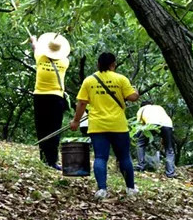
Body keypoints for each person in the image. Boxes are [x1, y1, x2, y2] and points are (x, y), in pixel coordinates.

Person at [70, 52, 140, 199]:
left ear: (98, 64)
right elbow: (132, 97)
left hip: (97, 126)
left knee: (100, 158)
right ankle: (130, 188)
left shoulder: (89, 81)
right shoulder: (121, 79)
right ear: (113, 64)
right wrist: (136, 93)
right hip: (118, 126)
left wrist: (76, 121)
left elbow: (82, 103)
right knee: (124, 157)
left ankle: (102, 189)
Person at [30, 32, 71, 170]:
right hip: (56, 98)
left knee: (41, 128)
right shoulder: (65, 62)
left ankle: (43, 157)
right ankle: (52, 161)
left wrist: (34, 40)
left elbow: (35, 48)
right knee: (54, 129)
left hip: (40, 97)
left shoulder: (39, 58)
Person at [135, 100, 176, 178]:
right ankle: (170, 173)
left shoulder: (142, 109)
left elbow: (139, 127)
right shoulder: (159, 107)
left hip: (151, 124)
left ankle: (141, 166)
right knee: (169, 148)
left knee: (140, 143)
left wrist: (137, 137)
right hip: (168, 125)